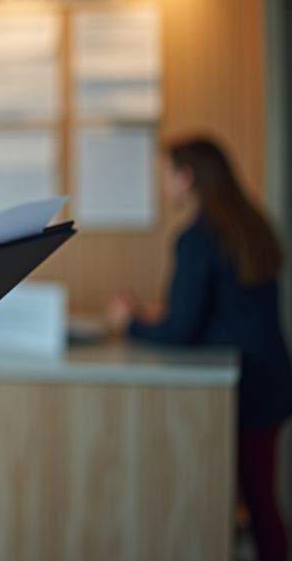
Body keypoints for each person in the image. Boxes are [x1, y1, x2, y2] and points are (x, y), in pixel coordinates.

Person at [108, 138, 291, 561]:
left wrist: (129, 320)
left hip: (240, 391)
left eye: (162, 175)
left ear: (185, 178)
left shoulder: (197, 237)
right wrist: (163, 316)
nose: (159, 185)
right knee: (263, 501)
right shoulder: (248, 223)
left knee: (226, 504)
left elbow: (181, 332)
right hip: (270, 381)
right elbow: (225, 310)